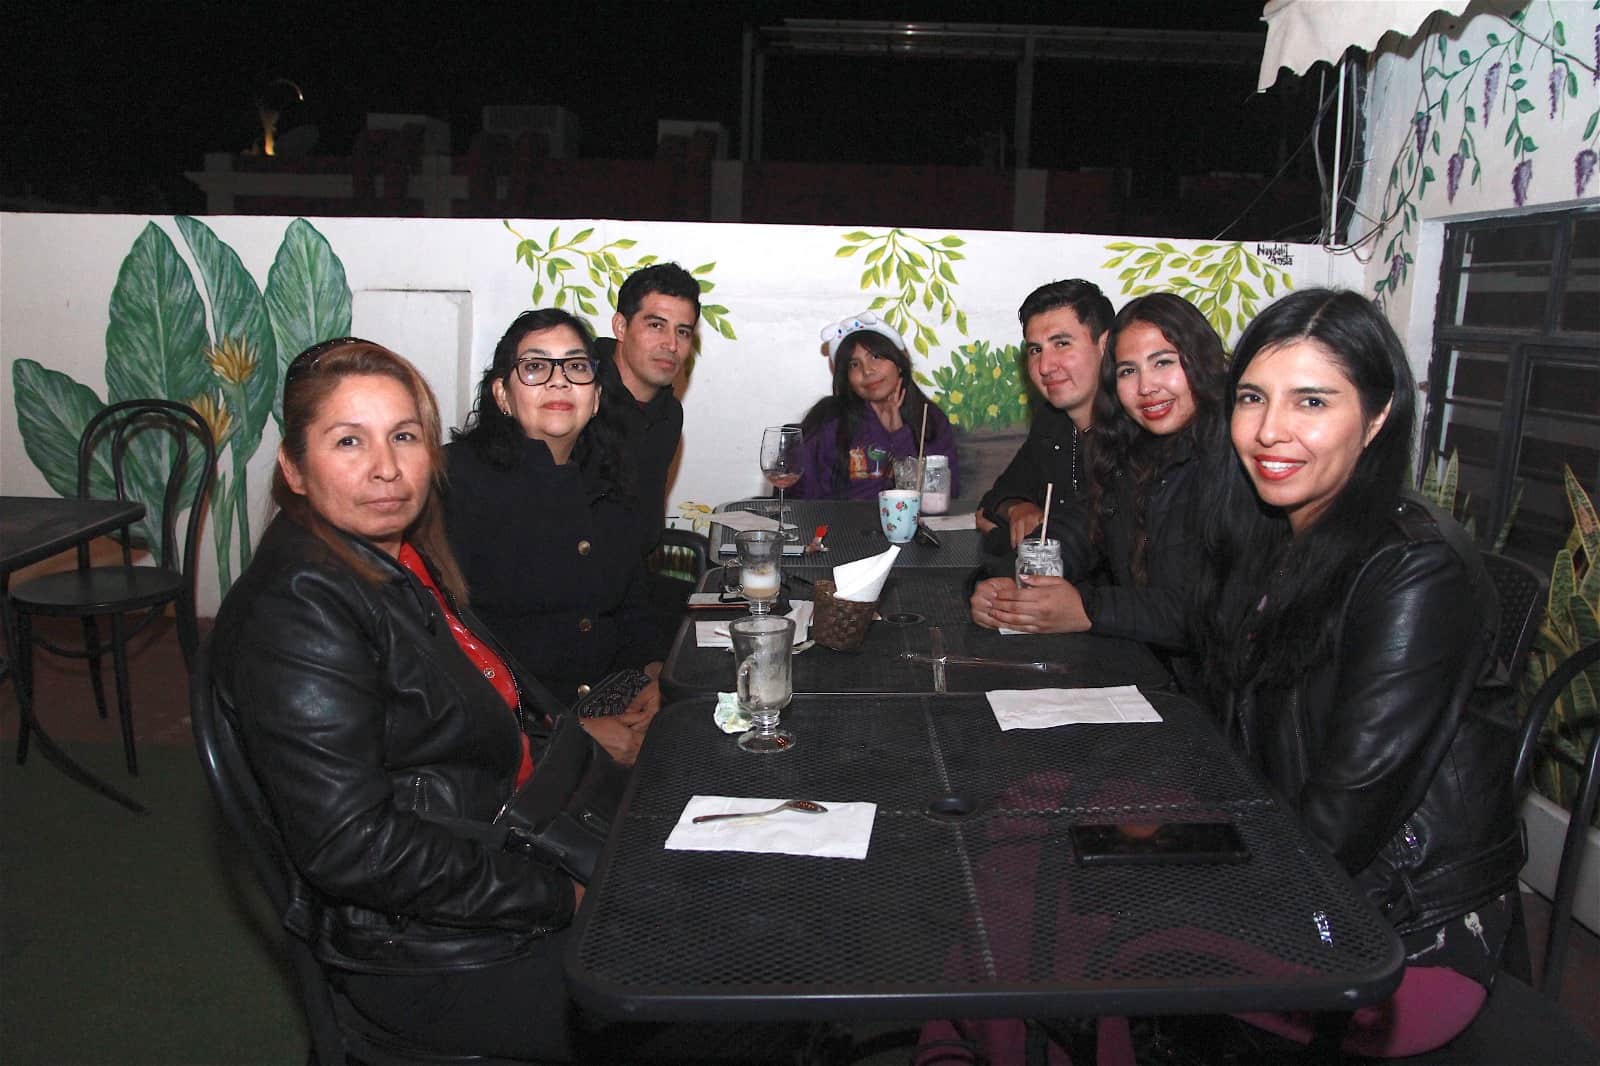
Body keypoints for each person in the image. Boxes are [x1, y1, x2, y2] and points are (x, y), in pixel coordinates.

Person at [209, 339, 586, 1061]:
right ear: (293, 467)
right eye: (349, 440)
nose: (386, 467)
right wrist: (554, 895)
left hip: (487, 868)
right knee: (707, 995)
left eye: (404, 436)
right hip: (430, 953)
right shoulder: (298, 612)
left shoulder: (397, 559)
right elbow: (353, 847)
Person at [1191, 289, 1521, 1057]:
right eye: (1252, 398)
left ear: (1376, 418)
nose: (1270, 431)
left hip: (1398, 936)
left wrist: (1187, 881)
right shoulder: (1279, 535)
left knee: (1082, 934)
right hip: (1299, 869)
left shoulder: (1416, 571)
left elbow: (1340, 823)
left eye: (1312, 400)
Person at [445, 309, 668, 766]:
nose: (559, 381)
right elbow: (443, 658)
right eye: (535, 366)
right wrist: (566, 738)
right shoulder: (453, 482)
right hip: (508, 739)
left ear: (597, 395)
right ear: (502, 395)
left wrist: (653, 677)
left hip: (614, 701)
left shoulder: (613, 477)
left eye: (576, 366)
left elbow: (633, 606)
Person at [970, 293, 1227, 668]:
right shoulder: (1129, 449)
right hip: (1154, 672)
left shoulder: (1234, 457)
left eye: (1163, 363)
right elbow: (1079, 531)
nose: (1146, 386)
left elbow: (1216, 611)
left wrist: (1088, 608)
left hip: (1221, 703)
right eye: (1128, 371)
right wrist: (1004, 588)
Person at [975, 279, 1114, 566]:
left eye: (1062, 343)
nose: (1045, 366)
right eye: (1035, 349)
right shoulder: (1054, 422)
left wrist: (1003, 538)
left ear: (1105, 345)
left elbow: (1097, 557)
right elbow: (997, 497)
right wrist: (1017, 509)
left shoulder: (1131, 434)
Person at [792, 311, 959, 500]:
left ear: (900, 362)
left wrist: (899, 435)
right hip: (839, 527)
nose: (867, 370)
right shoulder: (828, 420)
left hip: (913, 527)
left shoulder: (929, 420)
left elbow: (939, 500)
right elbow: (801, 499)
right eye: (854, 364)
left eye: (876, 356)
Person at [593, 262, 699, 558]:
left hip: (635, 582)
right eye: (656, 325)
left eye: (683, 332)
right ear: (621, 327)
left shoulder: (669, 415)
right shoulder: (577, 394)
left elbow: (642, 530)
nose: (671, 344)